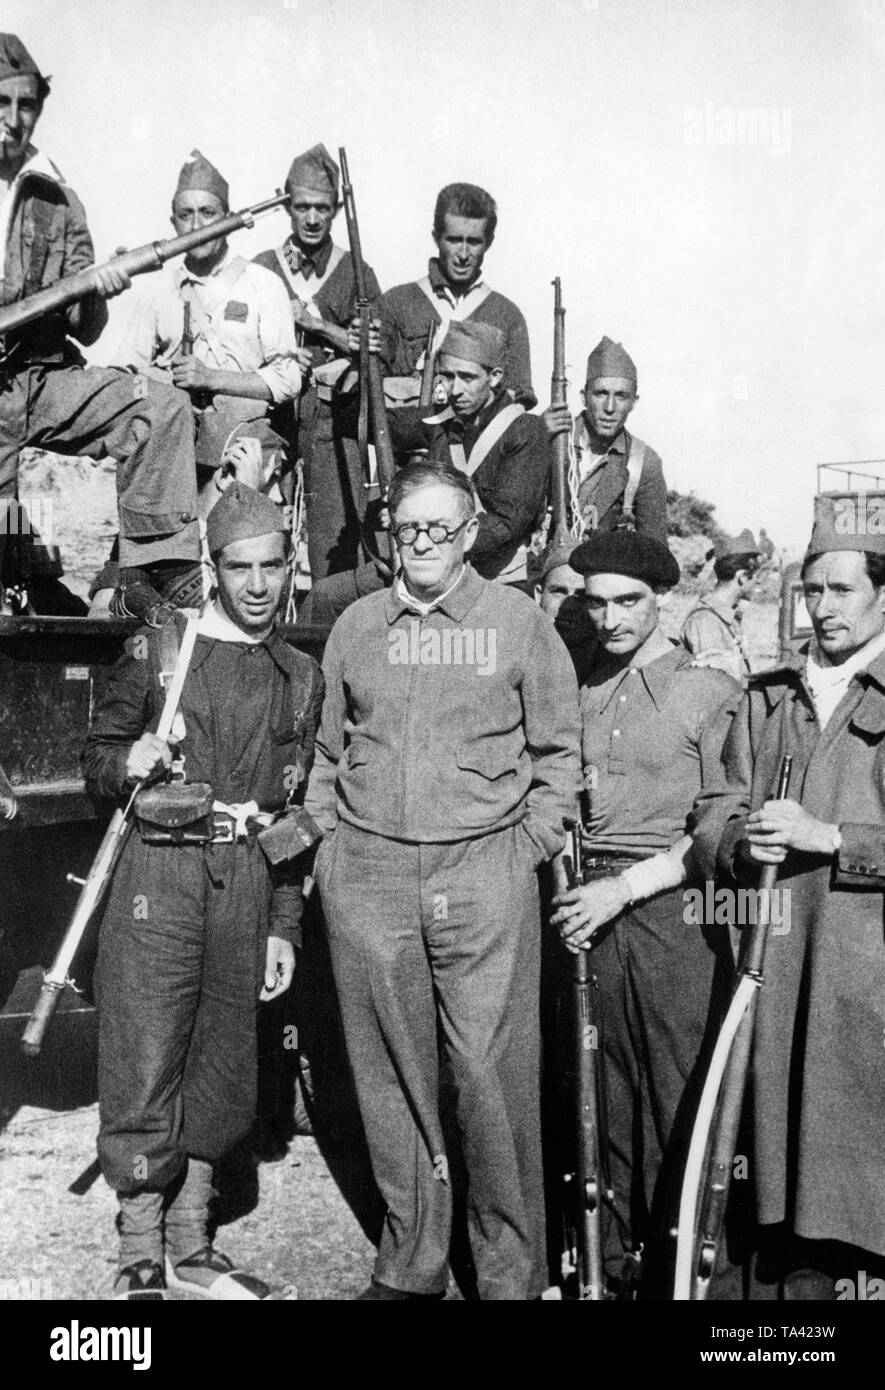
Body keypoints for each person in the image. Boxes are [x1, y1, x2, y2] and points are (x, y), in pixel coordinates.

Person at [305, 459, 581, 1300]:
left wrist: (524, 848)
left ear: (467, 535)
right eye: (406, 528)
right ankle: (412, 1262)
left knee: (489, 1078)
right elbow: (325, 753)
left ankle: (508, 1275)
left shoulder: (518, 622)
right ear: (390, 537)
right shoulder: (356, 624)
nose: (420, 542)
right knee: (389, 1079)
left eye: (438, 527)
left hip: (482, 872)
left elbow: (558, 758)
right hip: (371, 873)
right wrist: (330, 854)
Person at [82, 483, 323, 1301]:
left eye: (271, 566)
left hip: (245, 882)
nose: (256, 584)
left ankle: (192, 1244)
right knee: (145, 1053)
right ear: (214, 570)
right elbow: (97, 762)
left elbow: (293, 817)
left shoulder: (301, 676)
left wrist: (283, 925)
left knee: (224, 1060)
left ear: (291, 568)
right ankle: (139, 1250)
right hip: (159, 873)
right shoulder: (161, 651)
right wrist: (131, 760)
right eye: (238, 567)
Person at [691, 498, 885, 1298]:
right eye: (812, 591)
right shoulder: (768, 696)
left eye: (842, 591)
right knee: (766, 1153)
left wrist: (831, 837)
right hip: (767, 965)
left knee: (849, 1163)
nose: (823, 608)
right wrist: (739, 841)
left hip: (859, 978)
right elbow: (710, 807)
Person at [550, 530, 740, 1296]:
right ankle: (614, 1270)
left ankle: (695, 1280)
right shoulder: (581, 685)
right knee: (602, 1101)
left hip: (671, 919)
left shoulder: (708, 690)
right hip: (585, 914)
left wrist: (621, 890)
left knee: (679, 1104)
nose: (610, 618)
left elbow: (718, 828)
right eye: (595, 603)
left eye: (628, 601)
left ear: (661, 600)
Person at [0, 34, 201, 606]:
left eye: (26, 105)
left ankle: (147, 573)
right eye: (1, 103)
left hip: (39, 381)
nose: (14, 121)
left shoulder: (58, 200)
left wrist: (98, 291)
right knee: (9, 548)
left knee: (159, 407)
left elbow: (84, 329)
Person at [91, 151, 304, 616]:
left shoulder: (260, 284)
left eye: (208, 213)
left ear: (226, 219)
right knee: (110, 598)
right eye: (186, 214)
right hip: (171, 454)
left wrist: (212, 378)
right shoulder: (160, 289)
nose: (197, 223)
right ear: (173, 221)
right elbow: (125, 369)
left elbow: (288, 378)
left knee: (218, 580)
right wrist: (164, 380)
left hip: (240, 447)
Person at [298, 320, 551, 630]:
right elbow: (360, 420)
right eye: (447, 377)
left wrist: (428, 537)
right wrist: (359, 362)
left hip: (488, 578)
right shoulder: (441, 420)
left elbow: (504, 526)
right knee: (325, 598)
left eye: (467, 378)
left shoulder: (525, 431)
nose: (454, 390)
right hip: (423, 564)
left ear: (495, 377)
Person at [253, 144, 382, 582]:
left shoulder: (356, 272)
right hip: (271, 419)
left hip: (333, 423)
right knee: (261, 536)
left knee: (336, 546)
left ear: (336, 209)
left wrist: (318, 325)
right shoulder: (262, 269)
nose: (312, 219)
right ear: (287, 205)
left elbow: (376, 353)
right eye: (302, 207)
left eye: (322, 208)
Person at [376, 182, 535, 410]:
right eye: (453, 240)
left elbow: (518, 399)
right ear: (436, 238)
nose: (462, 254)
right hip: (409, 444)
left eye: (473, 242)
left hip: (479, 445)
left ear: (488, 243)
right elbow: (370, 384)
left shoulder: (507, 316)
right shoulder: (396, 303)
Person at [543, 336, 667, 541]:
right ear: (584, 397)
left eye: (621, 396)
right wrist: (535, 435)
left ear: (634, 402)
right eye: (600, 394)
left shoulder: (643, 463)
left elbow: (655, 549)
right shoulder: (552, 437)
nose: (609, 408)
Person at [682, 529, 761, 684]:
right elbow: (711, 685)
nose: (757, 583)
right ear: (742, 577)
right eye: (755, 577)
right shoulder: (706, 622)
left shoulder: (725, 617)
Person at [535, 534, 596, 684]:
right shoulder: (516, 656)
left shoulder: (613, 667)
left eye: (582, 595)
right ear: (538, 595)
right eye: (559, 592)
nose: (569, 606)